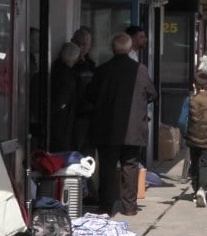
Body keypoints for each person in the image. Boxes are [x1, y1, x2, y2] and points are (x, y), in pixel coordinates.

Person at [88, 33, 157, 216]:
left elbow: (90, 95)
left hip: (107, 129)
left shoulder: (102, 70)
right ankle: (129, 207)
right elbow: (152, 94)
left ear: (113, 48)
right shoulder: (139, 70)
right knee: (130, 167)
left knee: (108, 169)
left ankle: (106, 206)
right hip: (133, 130)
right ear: (129, 48)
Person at [178, 71, 207, 207]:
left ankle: (195, 189)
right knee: (205, 164)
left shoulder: (189, 99)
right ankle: (202, 189)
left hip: (192, 137)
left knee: (195, 161)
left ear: (194, 85)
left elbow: (181, 121)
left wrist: (185, 133)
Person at [48, 42, 81, 152]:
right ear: (74, 59)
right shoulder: (67, 77)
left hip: (52, 122)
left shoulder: (53, 69)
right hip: (62, 123)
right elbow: (61, 102)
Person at [70, 27, 97, 153]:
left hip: (88, 114)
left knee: (87, 151)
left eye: (85, 44)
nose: (82, 48)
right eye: (79, 44)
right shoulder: (68, 65)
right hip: (74, 115)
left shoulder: (90, 64)